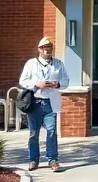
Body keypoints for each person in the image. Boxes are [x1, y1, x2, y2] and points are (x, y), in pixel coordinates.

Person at [19, 36, 69, 171]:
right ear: (39, 49)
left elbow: (66, 80)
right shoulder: (31, 64)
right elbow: (22, 81)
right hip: (35, 103)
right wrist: (36, 84)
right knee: (33, 133)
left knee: (52, 131)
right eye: (44, 48)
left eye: (49, 48)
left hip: (50, 103)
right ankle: (33, 159)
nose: (47, 51)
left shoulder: (58, 64)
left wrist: (57, 84)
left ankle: (52, 160)